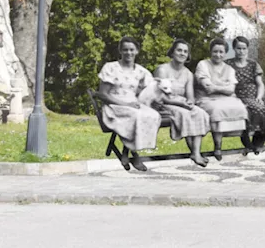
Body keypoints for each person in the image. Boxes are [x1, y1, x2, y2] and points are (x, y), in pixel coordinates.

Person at [96, 36, 162, 171]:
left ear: (137, 51)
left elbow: (146, 90)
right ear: (120, 51)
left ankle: (126, 152)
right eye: (125, 50)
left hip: (133, 104)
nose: (128, 53)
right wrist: (125, 104)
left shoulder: (141, 71)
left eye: (132, 49)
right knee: (136, 116)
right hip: (113, 105)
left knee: (153, 115)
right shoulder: (111, 68)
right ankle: (135, 154)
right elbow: (103, 95)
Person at [152, 38, 211, 167]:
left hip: (180, 103)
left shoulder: (188, 74)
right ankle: (195, 153)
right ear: (172, 52)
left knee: (200, 113)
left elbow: (190, 96)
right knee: (185, 114)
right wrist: (182, 105)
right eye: (179, 50)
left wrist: (190, 103)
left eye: (185, 51)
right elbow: (160, 96)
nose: (182, 53)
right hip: (163, 104)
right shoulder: (162, 70)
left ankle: (196, 153)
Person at [194, 37, 250, 161]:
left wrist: (216, 87)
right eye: (215, 51)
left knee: (239, 107)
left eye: (221, 52)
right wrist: (223, 87)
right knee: (217, 109)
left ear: (225, 53)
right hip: (206, 98)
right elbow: (207, 88)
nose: (218, 55)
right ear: (210, 52)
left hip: (227, 98)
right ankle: (218, 146)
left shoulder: (229, 69)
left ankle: (243, 140)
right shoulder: (203, 64)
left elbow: (231, 89)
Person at [228, 35, 265, 154]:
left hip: (257, 93)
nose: (241, 51)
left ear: (247, 49)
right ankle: (246, 137)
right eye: (238, 48)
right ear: (234, 49)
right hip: (240, 95)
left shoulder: (253, 64)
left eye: (244, 48)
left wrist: (259, 96)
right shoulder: (229, 64)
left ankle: (259, 140)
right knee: (257, 109)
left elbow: (260, 84)